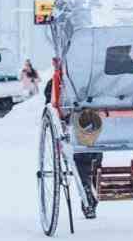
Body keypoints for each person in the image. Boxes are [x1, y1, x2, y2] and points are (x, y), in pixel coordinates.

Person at [43, 60, 101, 220]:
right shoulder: (101, 75)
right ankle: (92, 187)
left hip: (77, 126)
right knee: (93, 153)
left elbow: (53, 106)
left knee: (83, 158)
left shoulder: (60, 81)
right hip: (100, 125)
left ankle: (88, 193)